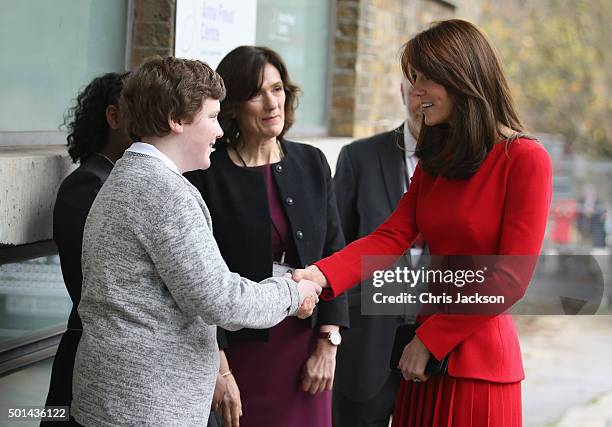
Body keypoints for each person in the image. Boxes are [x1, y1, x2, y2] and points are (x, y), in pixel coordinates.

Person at [294, 20, 552, 426]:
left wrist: (430, 341)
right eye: (414, 78)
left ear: (462, 78)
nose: (415, 92)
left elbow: (511, 279)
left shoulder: (524, 159)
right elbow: (390, 235)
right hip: (423, 362)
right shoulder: (438, 159)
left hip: (475, 367)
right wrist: (320, 275)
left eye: (426, 79)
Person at [70, 56, 321, 426]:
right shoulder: (164, 193)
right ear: (177, 120)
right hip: (146, 409)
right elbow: (221, 300)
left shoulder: (127, 176)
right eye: (212, 117)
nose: (220, 131)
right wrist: (293, 293)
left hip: (119, 401)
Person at [185, 46, 349, 427]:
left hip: (304, 346)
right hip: (237, 354)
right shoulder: (207, 173)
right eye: (256, 93)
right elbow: (196, 284)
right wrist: (219, 369)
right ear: (234, 106)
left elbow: (333, 252)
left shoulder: (311, 163)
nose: (271, 102)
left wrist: (328, 341)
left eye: (277, 89)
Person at [331, 78, 423, 427]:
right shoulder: (359, 157)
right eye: (415, 86)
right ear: (401, 91)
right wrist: (332, 334)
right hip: (365, 347)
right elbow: (336, 249)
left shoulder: (466, 165)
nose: (422, 97)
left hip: (437, 353)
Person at [42, 72, 132, 426]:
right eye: (143, 109)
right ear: (113, 117)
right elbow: (98, 286)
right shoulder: (87, 185)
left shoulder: (128, 179)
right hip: (91, 360)